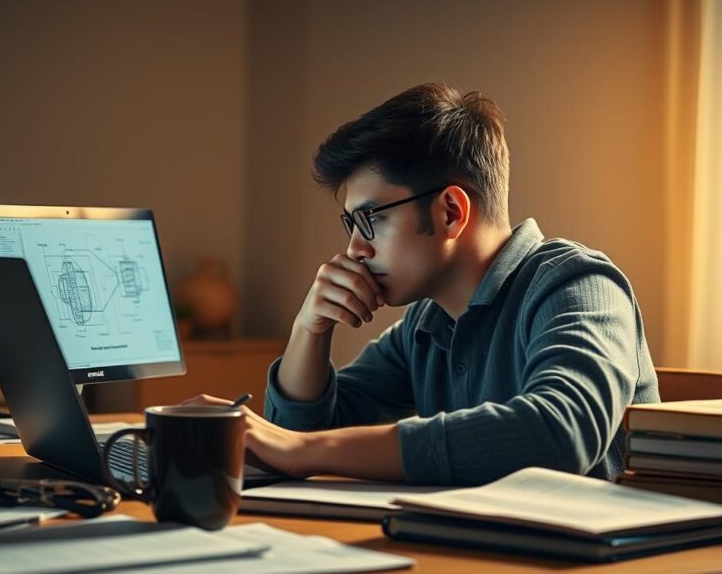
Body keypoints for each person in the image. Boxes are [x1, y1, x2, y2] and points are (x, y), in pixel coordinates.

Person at [186, 83, 660, 486]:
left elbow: (560, 433)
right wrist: (308, 329)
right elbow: (296, 438)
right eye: (350, 225)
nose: (354, 249)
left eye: (370, 219)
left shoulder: (579, 286)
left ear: (450, 212)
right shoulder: (426, 325)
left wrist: (303, 449)